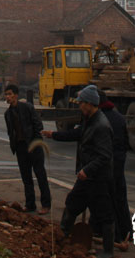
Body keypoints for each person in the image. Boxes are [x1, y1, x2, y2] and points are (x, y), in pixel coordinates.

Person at [42, 84, 114, 258]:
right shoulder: (89, 121)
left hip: (98, 179)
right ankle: (63, 235)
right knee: (73, 203)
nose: (80, 106)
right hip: (86, 178)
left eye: (81, 103)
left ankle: (108, 251)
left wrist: (87, 170)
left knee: (104, 214)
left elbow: (104, 156)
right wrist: (54, 135)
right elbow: (77, 134)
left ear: (90, 103)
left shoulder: (101, 125)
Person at [4, 82, 51, 214]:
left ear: (16, 96)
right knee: (26, 178)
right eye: (6, 95)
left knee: (40, 175)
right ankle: (30, 205)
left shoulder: (27, 108)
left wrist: (35, 141)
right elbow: (10, 132)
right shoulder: (7, 114)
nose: (7, 97)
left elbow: (38, 125)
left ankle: (46, 205)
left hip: (34, 146)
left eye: (9, 94)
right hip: (20, 148)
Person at [93, 90, 131, 250]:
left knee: (107, 200)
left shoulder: (99, 119)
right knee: (121, 198)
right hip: (119, 162)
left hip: (106, 164)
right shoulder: (119, 118)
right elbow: (127, 142)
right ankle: (128, 231)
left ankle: (112, 235)